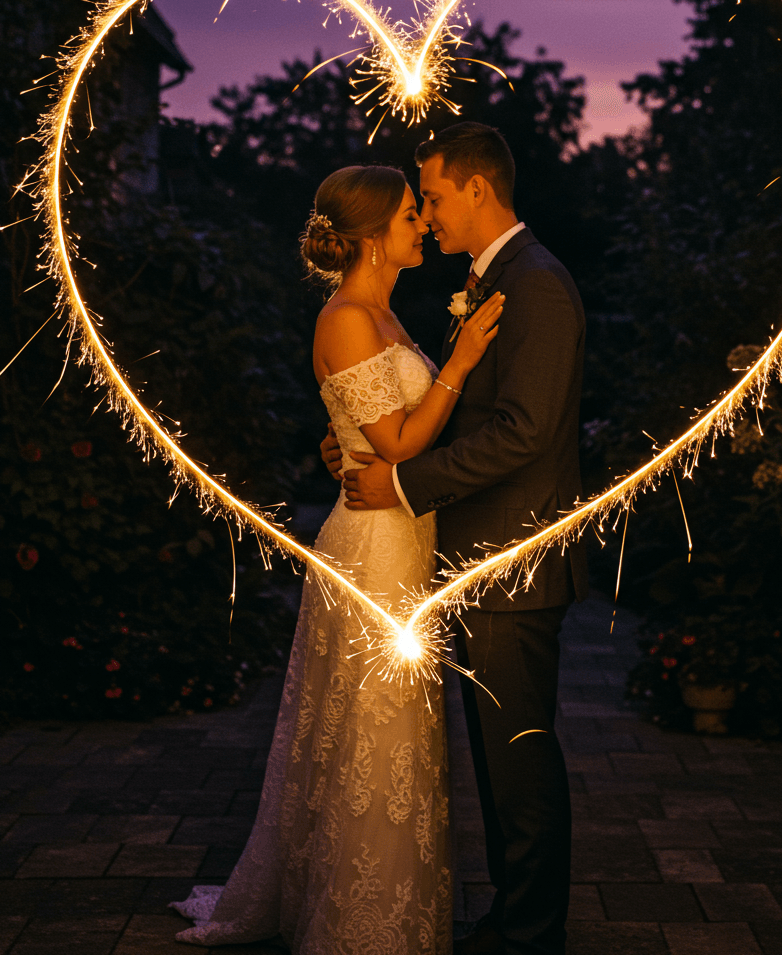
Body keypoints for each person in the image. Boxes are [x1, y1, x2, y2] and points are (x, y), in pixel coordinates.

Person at [170, 163, 504, 953]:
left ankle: (388, 909)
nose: (422, 224)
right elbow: (392, 447)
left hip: (400, 536)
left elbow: (371, 428)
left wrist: (346, 441)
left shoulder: (384, 315)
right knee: (374, 731)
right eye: (409, 216)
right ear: (374, 235)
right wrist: (458, 364)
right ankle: (360, 924)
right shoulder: (349, 316)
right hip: (372, 548)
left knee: (393, 731)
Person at [327, 123, 589, 955]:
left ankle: (533, 933)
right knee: (497, 759)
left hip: (511, 562)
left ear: (478, 189)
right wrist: (358, 442)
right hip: (470, 560)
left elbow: (523, 433)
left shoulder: (536, 285)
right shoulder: (487, 280)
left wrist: (400, 480)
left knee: (520, 762)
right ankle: (514, 917)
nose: (428, 215)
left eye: (432, 197)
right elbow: (439, 413)